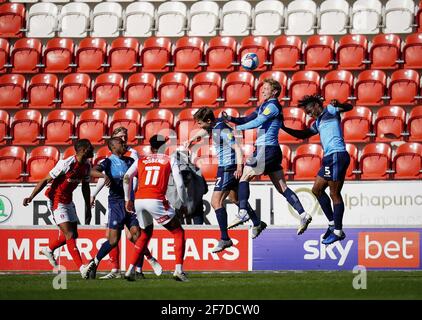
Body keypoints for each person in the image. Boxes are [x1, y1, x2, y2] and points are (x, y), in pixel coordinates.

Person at [222, 78, 312, 235]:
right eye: (262, 88)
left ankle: (243, 212)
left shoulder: (273, 106)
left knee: (244, 176)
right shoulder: (264, 105)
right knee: (282, 188)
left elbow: (258, 122)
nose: (262, 90)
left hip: (266, 149)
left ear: (274, 92)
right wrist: (231, 119)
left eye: (265, 88)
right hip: (272, 151)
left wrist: (236, 129)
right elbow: (248, 118)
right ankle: (303, 215)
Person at [185, 107, 267, 253]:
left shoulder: (222, 130)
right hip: (228, 167)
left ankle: (225, 239)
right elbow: (205, 131)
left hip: (228, 168)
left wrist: (239, 167)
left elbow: (237, 148)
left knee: (215, 202)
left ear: (209, 120)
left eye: (200, 123)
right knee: (235, 199)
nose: (199, 126)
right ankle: (257, 222)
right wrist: (192, 139)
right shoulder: (214, 126)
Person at [85, 137, 162, 279]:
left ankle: (139, 269)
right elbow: (91, 171)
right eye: (121, 143)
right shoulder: (108, 162)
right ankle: (94, 263)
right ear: (113, 147)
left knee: (137, 235)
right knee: (113, 240)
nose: (124, 144)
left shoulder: (130, 161)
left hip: (130, 203)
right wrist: (103, 175)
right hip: (116, 204)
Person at [281, 94, 352, 245]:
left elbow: (349, 107)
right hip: (329, 158)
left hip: (337, 155)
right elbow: (304, 134)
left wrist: (340, 103)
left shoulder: (331, 110)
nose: (309, 115)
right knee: (317, 190)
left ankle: (338, 232)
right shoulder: (318, 122)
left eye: (309, 111)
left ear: (316, 105)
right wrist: (284, 127)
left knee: (334, 193)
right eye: (307, 113)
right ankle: (332, 224)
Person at [23, 139, 96, 279]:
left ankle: (48, 249)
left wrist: (88, 206)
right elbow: (45, 179)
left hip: (68, 200)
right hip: (56, 200)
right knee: (69, 235)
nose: (93, 150)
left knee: (73, 234)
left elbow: (85, 186)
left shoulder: (86, 165)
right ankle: (82, 268)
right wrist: (31, 196)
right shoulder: (66, 164)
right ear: (83, 150)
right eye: (91, 148)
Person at [123, 135, 189, 281]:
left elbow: (127, 177)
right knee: (178, 232)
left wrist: (128, 199)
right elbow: (179, 184)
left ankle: (130, 269)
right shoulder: (169, 159)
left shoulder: (141, 160)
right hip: (156, 199)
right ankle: (178, 270)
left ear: (151, 148)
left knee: (145, 234)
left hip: (139, 200)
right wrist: (183, 203)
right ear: (164, 147)